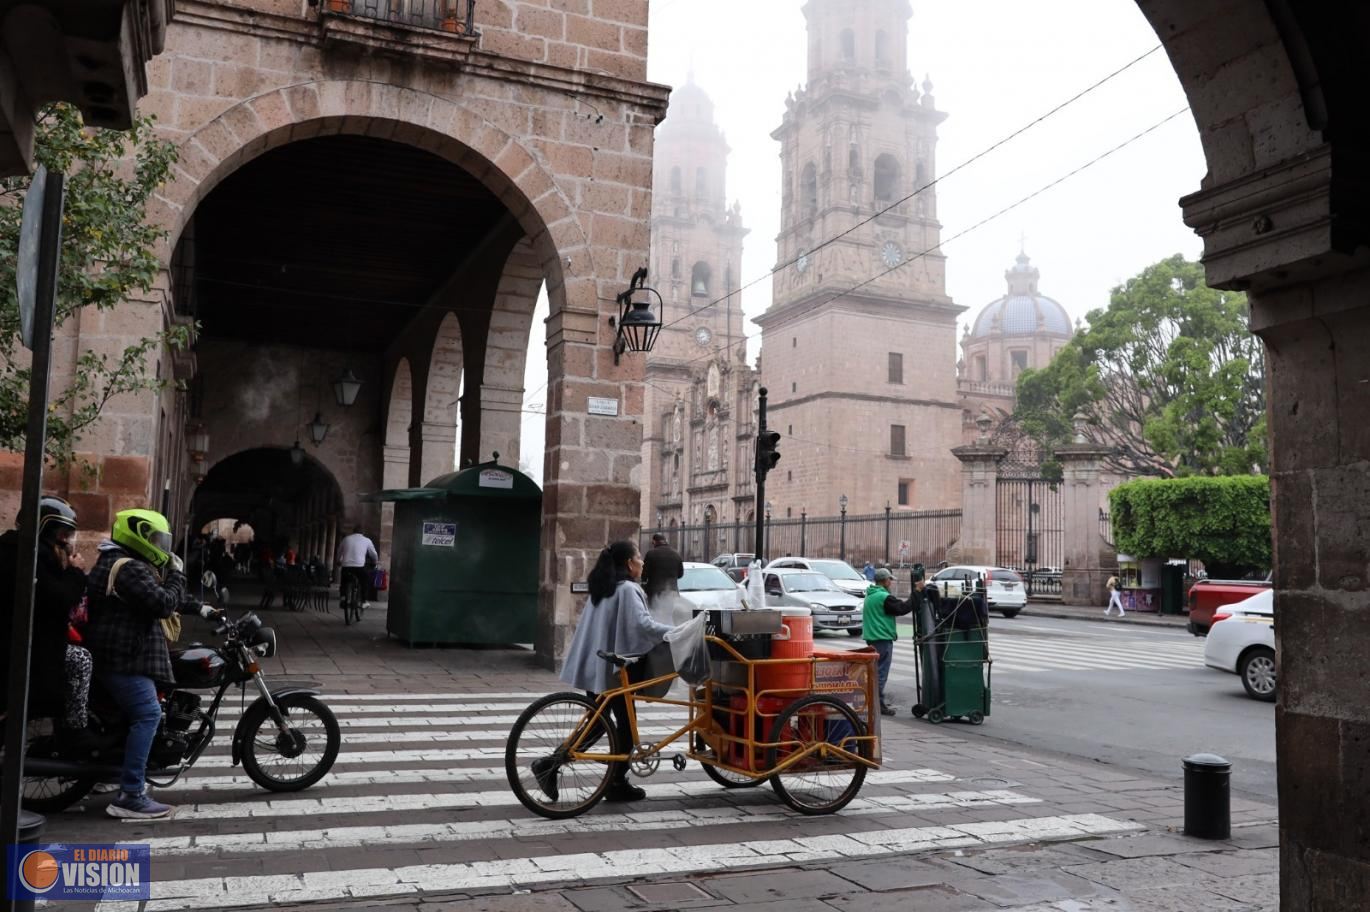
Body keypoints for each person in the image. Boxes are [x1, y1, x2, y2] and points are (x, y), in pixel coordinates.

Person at [84, 508, 218, 819]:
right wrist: (178, 573)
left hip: (117, 655)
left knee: (132, 716)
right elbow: (162, 603)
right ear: (140, 535)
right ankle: (130, 794)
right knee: (148, 714)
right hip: (123, 659)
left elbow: (155, 596)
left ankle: (111, 772)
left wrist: (201, 608)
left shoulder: (123, 563)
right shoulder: (129, 567)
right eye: (158, 539)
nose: (163, 547)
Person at [553, 541, 674, 803]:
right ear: (630, 564)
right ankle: (614, 782)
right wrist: (674, 632)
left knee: (598, 725)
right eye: (639, 557)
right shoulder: (628, 589)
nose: (642, 562)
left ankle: (552, 764)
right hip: (614, 670)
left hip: (599, 665)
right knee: (625, 728)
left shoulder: (604, 588)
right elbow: (642, 625)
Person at [0, 496, 97, 750]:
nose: (65, 540)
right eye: (62, 533)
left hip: (31, 638)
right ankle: (75, 727)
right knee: (81, 660)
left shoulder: (24, 550)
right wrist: (76, 572)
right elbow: (59, 597)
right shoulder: (30, 556)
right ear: (44, 529)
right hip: (27, 646)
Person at [862, 567, 918, 716]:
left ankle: (872, 702)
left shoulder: (870, 595)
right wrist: (917, 593)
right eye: (890, 580)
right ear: (885, 581)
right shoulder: (884, 597)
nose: (891, 583)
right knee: (880, 673)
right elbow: (902, 608)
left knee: (875, 672)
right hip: (882, 638)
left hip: (872, 637)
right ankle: (878, 705)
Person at [641, 532, 684, 624]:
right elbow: (680, 574)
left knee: (655, 616)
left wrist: (643, 584)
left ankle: (657, 636)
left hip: (655, 592)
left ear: (654, 542)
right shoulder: (676, 554)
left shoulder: (651, 554)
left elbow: (644, 574)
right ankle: (669, 635)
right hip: (672, 592)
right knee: (668, 616)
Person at [336, 526, 379, 612]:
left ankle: (343, 597)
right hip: (359, 567)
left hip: (346, 566)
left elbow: (339, 551)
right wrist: (375, 562)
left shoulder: (346, 539)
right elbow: (373, 554)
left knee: (344, 580)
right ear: (362, 532)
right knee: (364, 580)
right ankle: (364, 601)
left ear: (353, 531)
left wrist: (338, 560)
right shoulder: (367, 540)